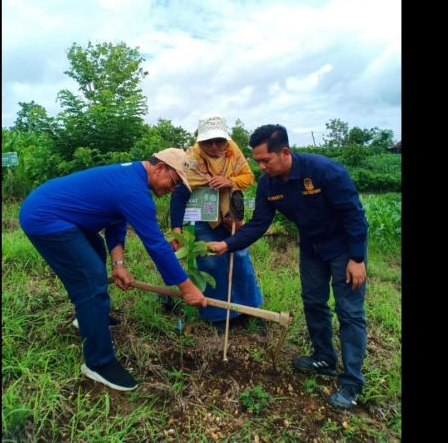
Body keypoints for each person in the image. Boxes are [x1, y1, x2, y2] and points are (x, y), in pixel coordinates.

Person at [207, 124, 369, 409]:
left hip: (344, 248)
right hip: (312, 248)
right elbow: (259, 223)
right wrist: (227, 245)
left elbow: (354, 215)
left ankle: (352, 382)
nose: (260, 166)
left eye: (264, 160)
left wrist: (357, 258)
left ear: (284, 152)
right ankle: (324, 358)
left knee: (349, 311)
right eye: (256, 160)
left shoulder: (325, 171)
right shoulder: (269, 185)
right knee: (313, 302)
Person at [19, 149, 207, 392]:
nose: (174, 189)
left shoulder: (131, 178)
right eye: (175, 182)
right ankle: (98, 362)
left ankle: (89, 317)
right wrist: (187, 287)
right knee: (91, 280)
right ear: (160, 168)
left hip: (64, 216)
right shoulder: (134, 190)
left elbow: (115, 223)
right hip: (45, 217)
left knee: (95, 250)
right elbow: (156, 244)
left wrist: (119, 266)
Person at [169, 116, 264, 330]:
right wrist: (176, 228)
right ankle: (219, 316)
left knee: (239, 258)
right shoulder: (191, 158)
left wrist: (229, 181)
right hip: (203, 215)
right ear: (200, 142)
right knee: (210, 262)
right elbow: (180, 193)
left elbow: (248, 177)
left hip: (231, 212)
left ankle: (250, 310)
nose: (214, 146)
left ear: (225, 140)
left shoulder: (232, 150)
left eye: (219, 141)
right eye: (208, 142)